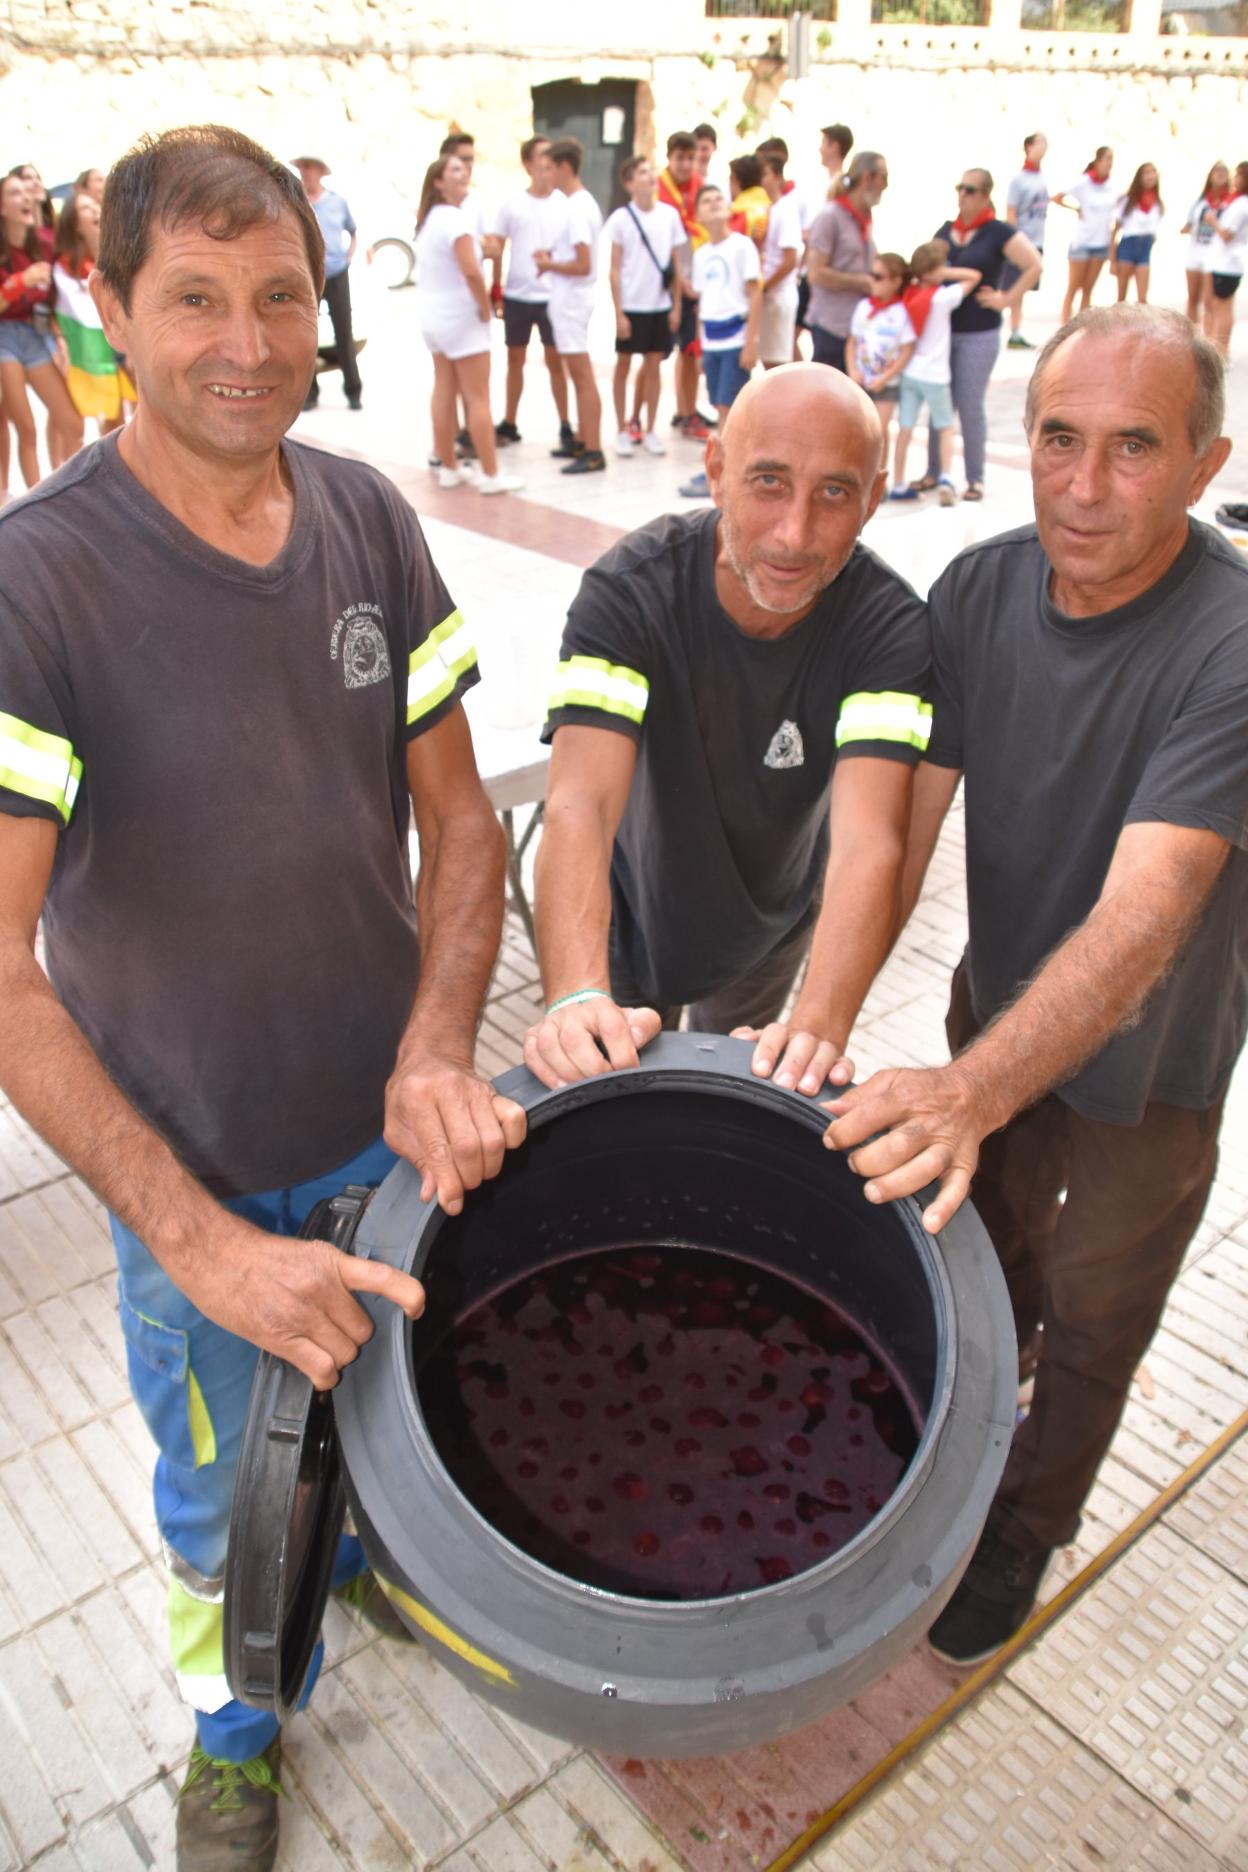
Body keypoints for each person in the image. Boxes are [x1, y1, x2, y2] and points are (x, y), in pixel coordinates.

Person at [0, 122, 527, 1869]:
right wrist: (199, 1240)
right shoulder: (36, 581)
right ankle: (234, 1731)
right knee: (228, 1494)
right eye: (196, 299)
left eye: (282, 296)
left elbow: (462, 822)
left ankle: (358, 1567)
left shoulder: (367, 514)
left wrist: (437, 1046)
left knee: (380, 1415)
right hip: (196, 1178)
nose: (248, 343)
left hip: (390, 1141)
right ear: (108, 310)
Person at [823, 305, 1243, 1666]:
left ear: (1206, 463)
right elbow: (902, 834)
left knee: (1097, 1310)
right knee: (982, 1262)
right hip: (995, 1017)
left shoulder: (1233, 640)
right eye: (1059, 438)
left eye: (1135, 448)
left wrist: (966, 1092)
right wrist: (821, 1018)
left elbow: (1147, 915)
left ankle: (1025, 1526)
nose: (1084, 487)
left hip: (1153, 1068)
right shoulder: (978, 591)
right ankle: (963, 1445)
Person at [523, 363, 931, 1106]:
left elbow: (870, 840)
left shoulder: (890, 629)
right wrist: (575, 994)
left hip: (768, 928)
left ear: (873, 499)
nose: (794, 533)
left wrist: (819, 1024)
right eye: (768, 482)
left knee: (726, 1104)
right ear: (715, 470)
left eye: (834, 493)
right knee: (622, 1109)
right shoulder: (630, 592)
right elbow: (580, 804)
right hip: (627, 910)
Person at [918, 169, 1041, 502]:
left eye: (970, 190)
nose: (963, 195)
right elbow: (926, 267)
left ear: (986, 195)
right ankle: (934, 471)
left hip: (979, 331)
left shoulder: (998, 232)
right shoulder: (947, 231)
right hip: (944, 331)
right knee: (940, 401)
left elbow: (1034, 265)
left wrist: (1006, 298)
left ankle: (975, 478)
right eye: (960, 188)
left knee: (970, 403)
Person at [414, 156, 523, 495]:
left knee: (444, 389)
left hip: (434, 318)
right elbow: (472, 272)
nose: (464, 174)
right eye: (455, 170)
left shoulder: (428, 220)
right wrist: (485, 307)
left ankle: (448, 466)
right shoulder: (454, 221)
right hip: (462, 318)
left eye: (464, 169)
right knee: (478, 398)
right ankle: (490, 473)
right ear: (438, 182)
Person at [678, 181, 761, 499]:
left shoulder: (742, 246)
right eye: (706, 200)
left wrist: (750, 342)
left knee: (728, 407)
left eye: (718, 198)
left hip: (735, 338)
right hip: (712, 340)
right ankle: (724, 469)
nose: (714, 203)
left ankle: (721, 473)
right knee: (718, 403)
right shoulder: (702, 255)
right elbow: (703, 304)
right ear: (698, 214)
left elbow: (755, 294)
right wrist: (700, 347)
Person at [0, 169, 82, 486]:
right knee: (26, 428)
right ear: (2, 206)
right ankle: (33, 501)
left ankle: (72, 490)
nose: (26, 197)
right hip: (4, 336)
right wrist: (21, 282)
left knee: (72, 423)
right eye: (15, 193)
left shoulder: (46, 243)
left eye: (28, 192)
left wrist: (60, 338)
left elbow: (56, 300)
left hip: (36, 334)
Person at [490, 135, 571, 449]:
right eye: (541, 156)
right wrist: (496, 288)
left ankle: (565, 423)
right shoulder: (512, 205)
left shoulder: (563, 203)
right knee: (515, 360)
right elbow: (497, 248)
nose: (548, 162)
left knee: (556, 362)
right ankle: (510, 422)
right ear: (528, 164)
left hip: (552, 295)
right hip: (518, 295)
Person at [890, 239, 981, 507]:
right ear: (933, 270)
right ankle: (945, 478)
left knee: (905, 427)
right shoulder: (942, 297)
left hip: (910, 370)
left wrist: (926, 272)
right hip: (936, 373)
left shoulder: (908, 295)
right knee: (945, 427)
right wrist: (944, 273)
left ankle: (898, 482)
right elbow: (974, 276)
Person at [605, 156, 685, 459]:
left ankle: (651, 429)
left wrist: (676, 307)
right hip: (632, 304)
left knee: (653, 366)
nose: (650, 177)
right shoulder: (621, 219)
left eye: (651, 171)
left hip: (659, 305)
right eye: (642, 172)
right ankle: (621, 430)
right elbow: (614, 268)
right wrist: (618, 312)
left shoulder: (669, 216)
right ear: (629, 183)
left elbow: (676, 266)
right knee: (623, 365)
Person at [535, 136, 606, 476]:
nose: (546, 175)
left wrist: (548, 265)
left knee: (581, 374)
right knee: (576, 373)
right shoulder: (576, 204)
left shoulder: (578, 207)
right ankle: (582, 438)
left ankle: (593, 449)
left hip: (573, 300)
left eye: (550, 168)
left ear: (565, 167)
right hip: (568, 298)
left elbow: (582, 263)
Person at [52, 192, 132, 433]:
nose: (95, 209)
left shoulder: (123, 251)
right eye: (85, 208)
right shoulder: (65, 267)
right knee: (112, 416)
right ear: (75, 224)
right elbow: (68, 311)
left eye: (95, 205)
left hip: (130, 340)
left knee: (147, 406)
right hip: (99, 349)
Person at [805, 150, 887, 373]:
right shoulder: (830, 216)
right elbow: (816, 274)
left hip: (858, 326)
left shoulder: (864, 217)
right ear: (867, 178)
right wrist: (862, 282)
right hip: (831, 325)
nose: (886, 185)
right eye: (883, 177)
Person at [292, 154, 361, 412]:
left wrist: (349, 257)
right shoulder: (296, 201)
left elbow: (353, 231)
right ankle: (309, 393)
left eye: (309, 167)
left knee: (344, 332)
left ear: (320, 171)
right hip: (308, 275)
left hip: (336, 273)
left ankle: (353, 390)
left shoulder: (337, 202)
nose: (305, 171)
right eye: (301, 167)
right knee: (307, 333)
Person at [657, 132, 711, 438]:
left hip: (694, 282)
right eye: (680, 158)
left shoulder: (701, 190)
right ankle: (651, 418)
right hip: (664, 285)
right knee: (654, 355)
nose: (685, 164)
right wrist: (681, 281)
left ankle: (687, 410)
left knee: (689, 351)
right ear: (669, 158)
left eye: (690, 158)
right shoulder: (657, 191)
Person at [846, 252, 914, 474]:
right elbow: (852, 342)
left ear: (896, 281)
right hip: (862, 379)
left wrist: (885, 377)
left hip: (886, 383)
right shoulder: (864, 307)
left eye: (878, 276)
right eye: (871, 275)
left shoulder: (901, 312)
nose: (872, 281)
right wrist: (853, 371)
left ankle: (879, 476)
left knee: (878, 430)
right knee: (859, 429)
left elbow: (907, 349)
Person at [795, 125, 854, 358]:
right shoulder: (821, 184)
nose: (820, 149)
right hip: (809, 269)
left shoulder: (842, 186)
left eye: (823, 143)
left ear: (834, 146)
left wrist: (811, 236)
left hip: (824, 275)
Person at [1053, 147, 1116, 323]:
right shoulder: (1084, 182)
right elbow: (1057, 197)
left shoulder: (1110, 186)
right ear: (1098, 160)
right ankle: (1064, 325)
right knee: (1073, 287)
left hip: (1101, 242)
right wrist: (1076, 209)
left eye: (1112, 159)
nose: (1110, 163)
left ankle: (1081, 326)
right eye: (1107, 158)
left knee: (1088, 289)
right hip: (1082, 241)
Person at [1003, 132, 1049, 350]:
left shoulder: (1041, 177)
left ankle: (1016, 330)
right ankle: (1013, 331)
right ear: (1029, 147)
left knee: (1023, 289)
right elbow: (1011, 212)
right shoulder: (1019, 180)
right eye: (1040, 142)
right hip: (1023, 241)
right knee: (1015, 287)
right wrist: (1014, 242)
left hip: (1037, 239)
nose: (1044, 147)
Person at [757, 149, 801, 369]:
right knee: (772, 360)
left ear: (776, 176)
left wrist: (764, 286)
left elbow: (790, 260)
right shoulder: (769, 209)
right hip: (770, 295)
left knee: (778, 365)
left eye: (764, 174)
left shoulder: (785, 209)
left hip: (778, 295)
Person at [1181, 161, 1231, 328]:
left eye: (1224, 171)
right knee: (1192, 298)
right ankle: (1190, 335)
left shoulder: (1230, 202)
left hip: (1215, 256)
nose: (1220, 173)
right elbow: (1189, 224)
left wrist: (1214, 222)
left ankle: (1208, 338)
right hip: (1195, 253)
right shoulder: (1200, 201)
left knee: (1209, 302)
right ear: (1210, 175)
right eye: (1217, 170)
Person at [1207, 161, 1248, 360]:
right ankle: (1222, 350)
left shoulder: (1242, 205)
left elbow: (1227, 234)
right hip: (1224, 261)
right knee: (1221, 306)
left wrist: (1213, 221)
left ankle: (1222, 351)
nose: (1235, 178)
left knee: (1222, 308)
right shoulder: (1236, 200)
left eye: (1239, 175)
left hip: (1228, 263)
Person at [1111, 162, 1163, 304]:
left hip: (1145, 248)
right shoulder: (1128, 201)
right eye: (1147, 173)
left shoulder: (1157, 203)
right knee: (1121, 298)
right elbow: (1114, 231)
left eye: (1153, 172)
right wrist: (1112, 260)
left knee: (1142, 299)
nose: (1150, 176)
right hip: (1128, 246)